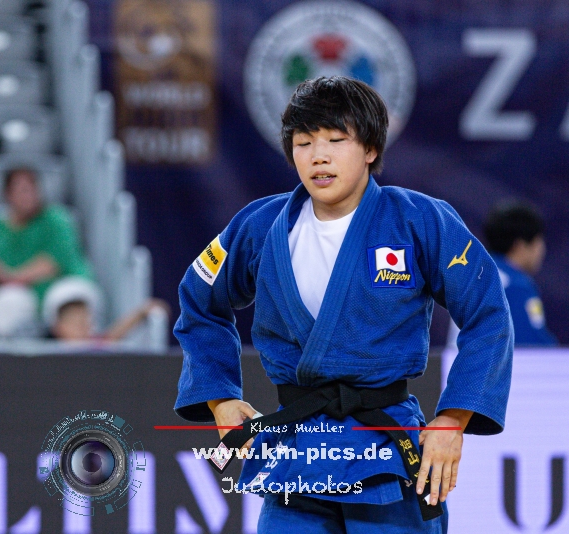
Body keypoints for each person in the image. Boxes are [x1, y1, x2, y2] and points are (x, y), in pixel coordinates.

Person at [173, 77, 514, 533]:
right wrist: (220, 398)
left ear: (371, 148)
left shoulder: (419, 220)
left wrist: (453, 419)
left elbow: (489, 315)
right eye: (304, 142)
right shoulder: (259, 227)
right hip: (299, 450)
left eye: (336, 140)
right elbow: (199, 302)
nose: (318, 155)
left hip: (385, 449)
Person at [0, 167, 93, 316]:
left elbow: (52, 264)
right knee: (6, 301)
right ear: (7, 195)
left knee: (71, 299)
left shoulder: (56, 220)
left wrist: (11, 277)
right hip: (22, 294)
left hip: (60, 286)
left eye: (33, 189)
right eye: (22, 191)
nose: (29, 196)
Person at [482, 201, 557, 345]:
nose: (542, 250)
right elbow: (532, 344)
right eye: (539, 241)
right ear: (520, 246)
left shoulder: (474, 275)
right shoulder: (516, 285)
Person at [42, 276, 170, 342]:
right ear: (57, 327)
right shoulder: (44, 351)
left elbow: (113, 336)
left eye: (84, 319)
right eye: (73, 321)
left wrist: (141, 312)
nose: (81, 325)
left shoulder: (95, 347)